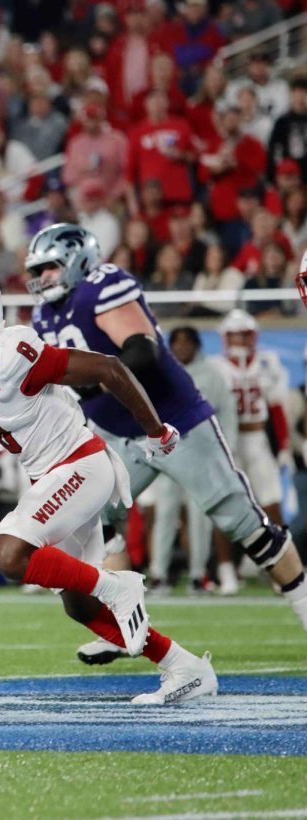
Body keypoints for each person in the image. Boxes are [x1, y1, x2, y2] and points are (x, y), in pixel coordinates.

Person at [0, 266, 214, 704]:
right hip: (50, 478)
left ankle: (117, 585)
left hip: (81, 465)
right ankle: (185, 666)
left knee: (9, 553)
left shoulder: (10, 350)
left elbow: (110, 369)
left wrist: (155, 431)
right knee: (79, 606)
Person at [27, 223, 307, 662]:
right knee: (95, 523)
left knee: (243, 525)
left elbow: (141, 351)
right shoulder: (44, 315)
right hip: (117, 433)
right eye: (37, 270)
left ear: (78, 261)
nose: (41, 278)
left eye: (49, 267)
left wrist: (93, 386)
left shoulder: (103, 285)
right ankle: (124, 627)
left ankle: (305, 607)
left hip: (172, 424)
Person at [143, 327, 237, 596]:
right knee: (165, 514)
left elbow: (226, 412)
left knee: (200, 516)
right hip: (169, 452)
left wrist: (225, 448)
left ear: (197, 345)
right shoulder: (162, 371)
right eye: (177, 342)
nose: (182, 347)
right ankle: (159, 574)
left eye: (187, 342)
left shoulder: (213, 374)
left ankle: (198, 575)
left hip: (202, 453)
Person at [213, 309, 291, 586]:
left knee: (272, 504)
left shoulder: (267, 363)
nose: (239, 340)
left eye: (244, 334)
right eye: (234, 334)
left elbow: (277, 408)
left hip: (257, 439)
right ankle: (225, 569)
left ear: (253, 336)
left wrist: (282, 446)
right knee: (224, 506)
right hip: (228, 443)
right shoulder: (216, 367)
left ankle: (280, 570)